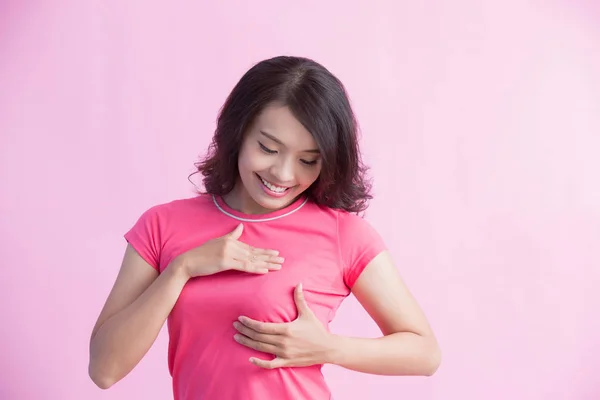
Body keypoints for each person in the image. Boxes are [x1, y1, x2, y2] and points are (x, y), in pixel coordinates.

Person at [88, 55, 441, 400]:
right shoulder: (162, 225)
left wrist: (329, 348)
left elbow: (425, 353)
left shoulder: (343, 235)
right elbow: (104, 369)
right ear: (238, 132)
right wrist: (182, 269)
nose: (284, 174)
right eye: (268, 148)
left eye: (308, 160)